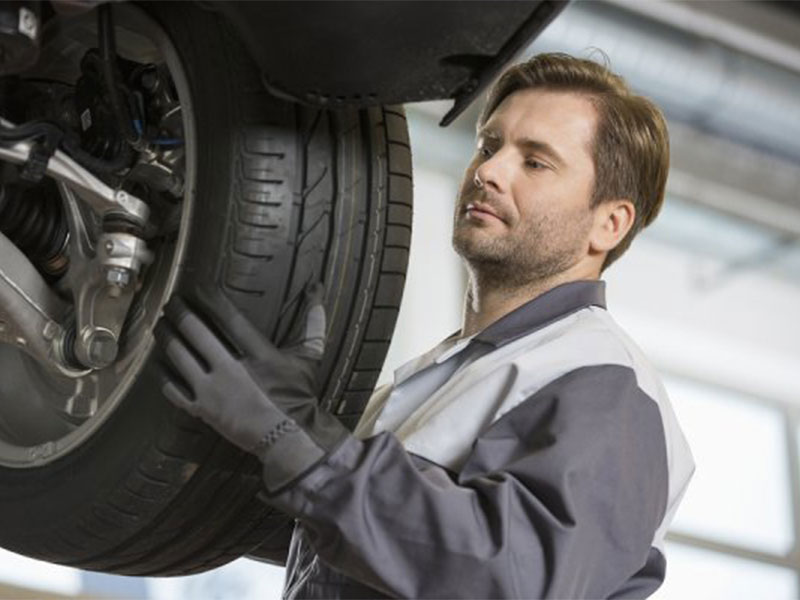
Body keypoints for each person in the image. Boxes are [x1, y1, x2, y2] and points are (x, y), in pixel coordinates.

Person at [155, 52, 695, 599]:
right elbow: (376, 554)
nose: (487, 171)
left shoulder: (603, 384)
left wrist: (300, 442)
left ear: (609, 222)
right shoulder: (442, 380)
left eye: (535, 162)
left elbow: (515, 579)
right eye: (489, 146)